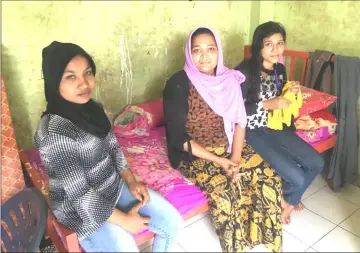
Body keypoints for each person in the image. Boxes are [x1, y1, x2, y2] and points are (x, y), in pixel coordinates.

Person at [35, 41, 184, 252]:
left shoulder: (94, 109)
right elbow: (81, 195)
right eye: (71, 76)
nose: (84, 83)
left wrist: (131, 180)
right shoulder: (54, 132)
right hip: (80, 210)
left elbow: (113, 146)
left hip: (111, 186)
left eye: (88, 73)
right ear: (53, 82)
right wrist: (124, 220)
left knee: (173, 223)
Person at [163, 26, 283, 252]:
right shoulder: (178, 84)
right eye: (197, 50)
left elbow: (240, 120)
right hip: (195, 152)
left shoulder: (229, 79)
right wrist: (221, 162)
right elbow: (179, 138)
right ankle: (236, 246)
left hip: (228, 145)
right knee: (225, 195)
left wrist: (235, 158)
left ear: (219, 51)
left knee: (269, 179)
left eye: (211, 48)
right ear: (189, 53)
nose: (205, 55)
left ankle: (259, 238)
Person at [235, 21, 324, 224]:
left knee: (317, 163)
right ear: (259, 46)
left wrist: (289, 93)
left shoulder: (280, 69)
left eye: (280, 43)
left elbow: (281, 101)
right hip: (252, 131)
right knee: (298, 177)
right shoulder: (244, 71)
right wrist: (267, 104)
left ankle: (288, 200)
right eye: (269, 44)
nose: (276, 49)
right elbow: (236, 109)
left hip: (276, 127)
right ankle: (290, 200)